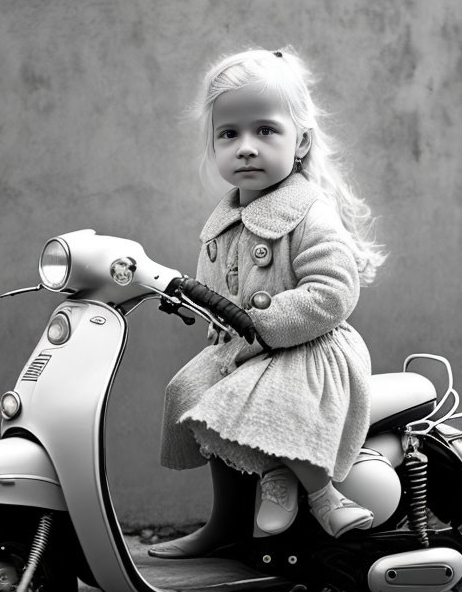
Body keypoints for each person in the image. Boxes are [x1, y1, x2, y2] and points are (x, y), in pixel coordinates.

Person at [150, 48, 385, 559]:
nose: (246, 148)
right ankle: (226, 521)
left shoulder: (308, 213)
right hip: (253, 347)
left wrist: (259, 324)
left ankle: (319, 493)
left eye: (265, 131)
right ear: (213, 146)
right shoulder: (223, 221)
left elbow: (333, 293)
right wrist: (202, 308)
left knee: (274, 394)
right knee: (194, 387)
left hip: (310, 348)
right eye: (229, 134)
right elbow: (217, 290)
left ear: (299, 142)